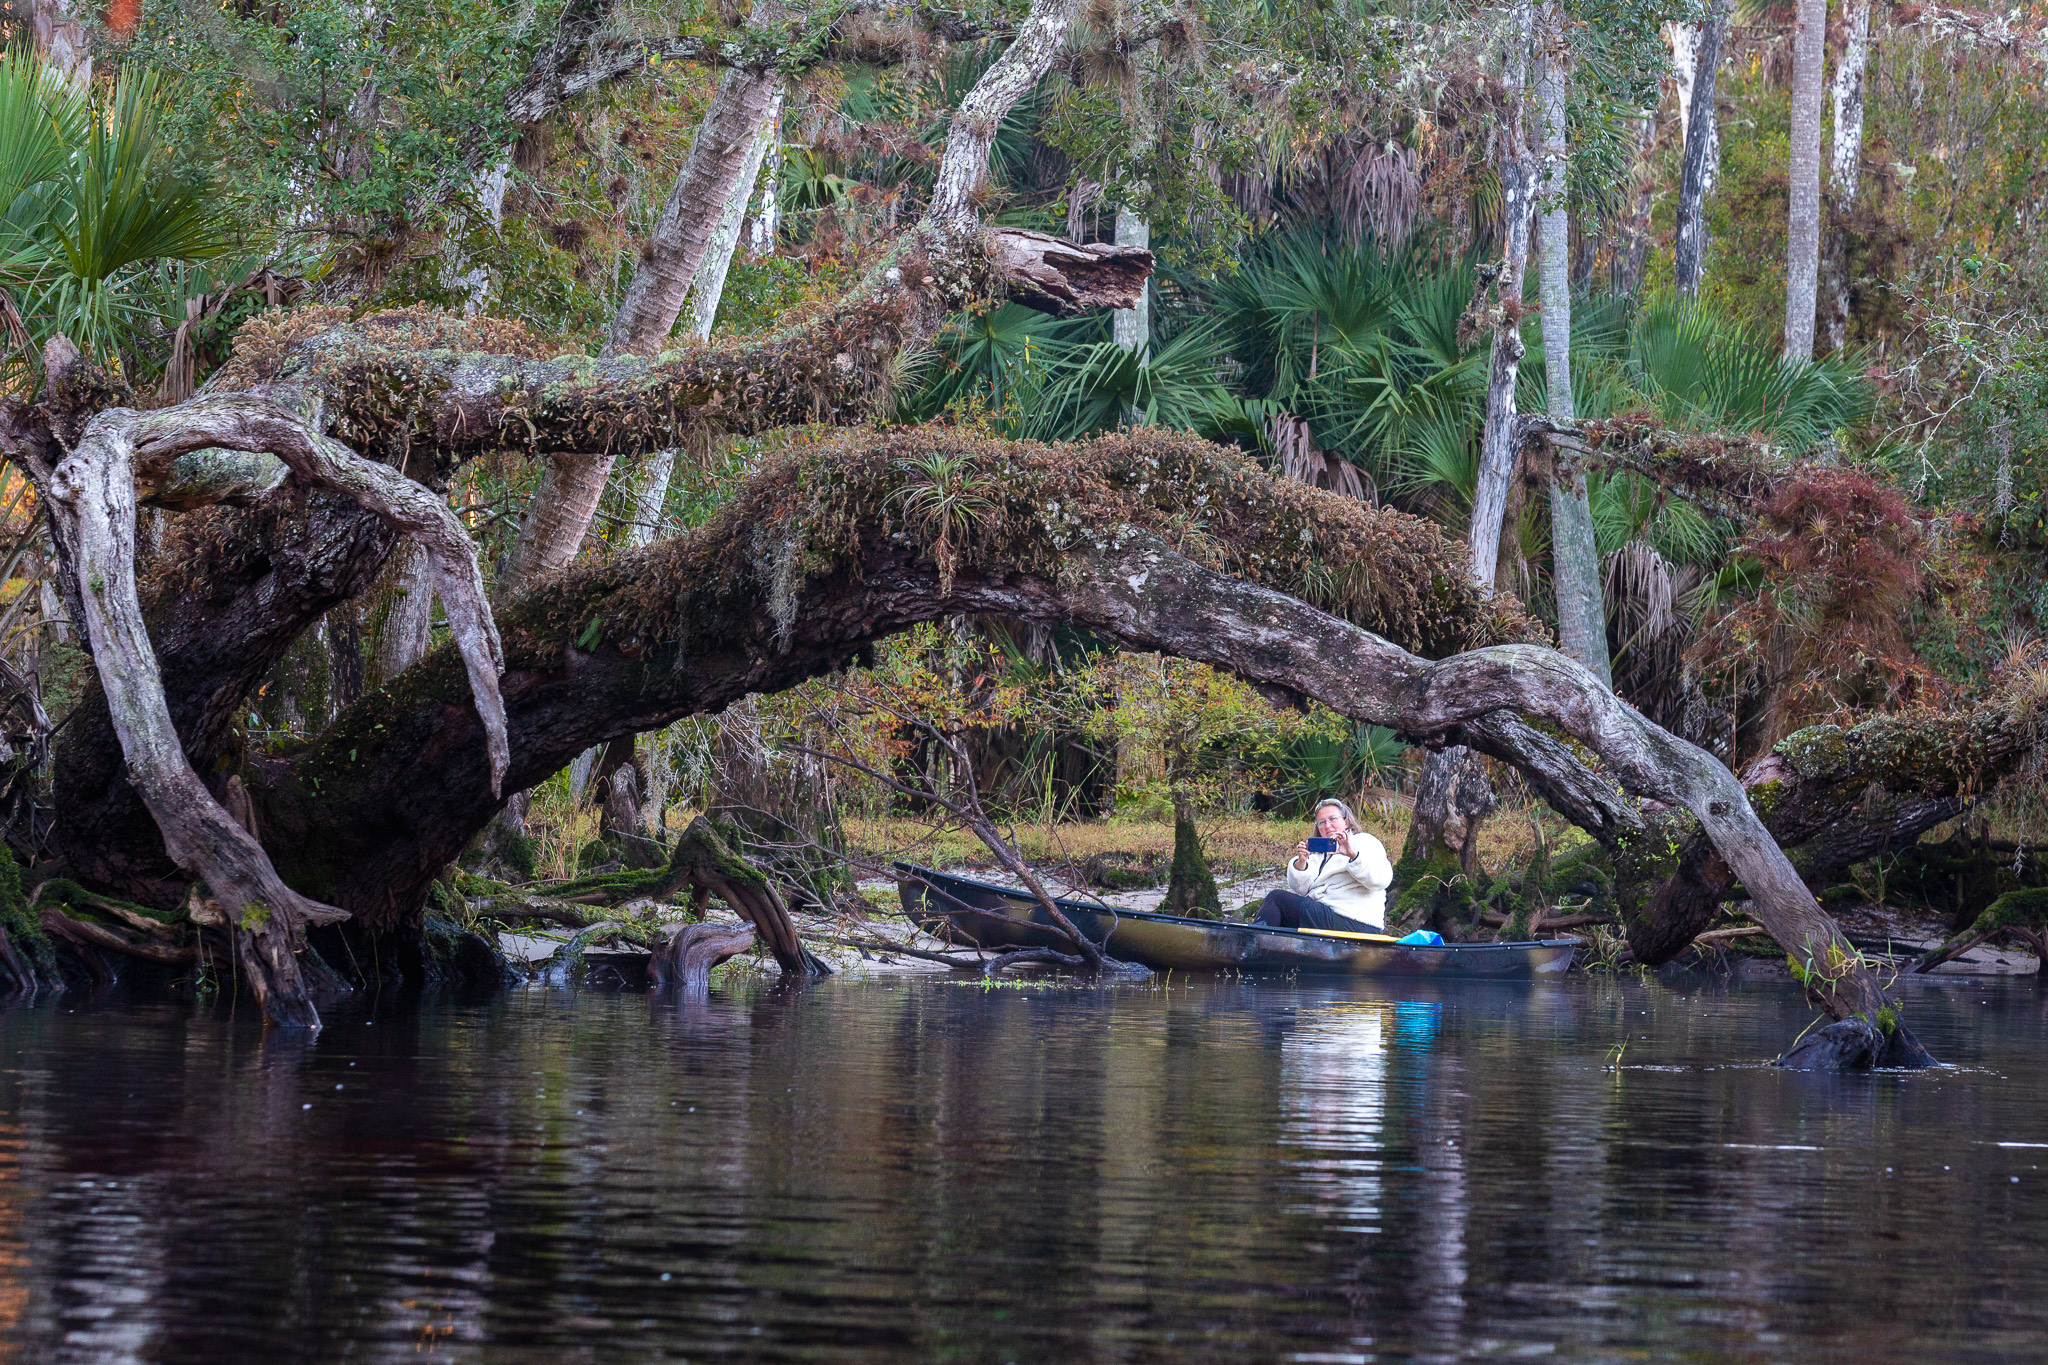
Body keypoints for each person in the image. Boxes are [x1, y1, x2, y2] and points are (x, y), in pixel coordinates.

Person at [1255, 799, 1395, 932]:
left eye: (1333, 819)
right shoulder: (1319, 855)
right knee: (1282, 921)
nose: (1327, 826)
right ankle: (1266, 951)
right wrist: (1301, 863)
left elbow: (1380, 880)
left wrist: (1353, 855)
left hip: (1354, 919)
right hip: (1324, 916)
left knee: (1277, 899)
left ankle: (1249, 943)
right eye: (1321, 822)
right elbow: (1301, 889)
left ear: (1346, 821)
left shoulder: (1365, 841)